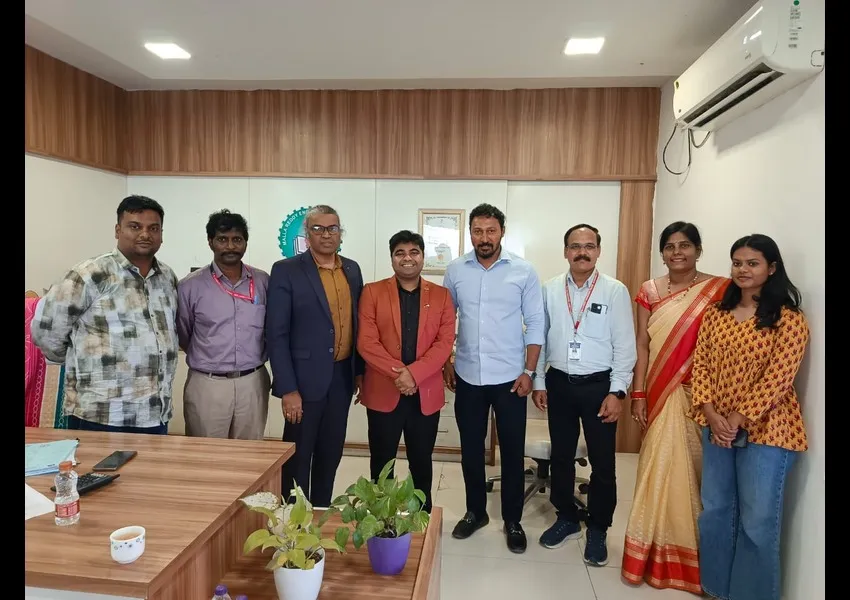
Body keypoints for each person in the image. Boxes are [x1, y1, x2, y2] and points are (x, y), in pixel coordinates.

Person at [690, 234, 809, 600]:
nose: (743, 270)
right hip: (717, 427)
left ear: (771, 268)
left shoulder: (789, 319)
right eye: (737, 263)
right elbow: (701, 365)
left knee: (757, 523)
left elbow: (778, 377)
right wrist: (711, 413)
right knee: (716, 511)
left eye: (752, 263)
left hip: (768, 432)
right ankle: (716, 589)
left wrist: (737, 418)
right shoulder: (716, 314)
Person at [620, 222, 729, 593]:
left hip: (700, 395)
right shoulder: (649, 290)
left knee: (693, 476)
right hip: (658, 389)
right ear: (662, 253)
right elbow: (642, 343)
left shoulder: (719, 290)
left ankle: (694, 562)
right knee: (658, 466)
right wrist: (638, 393)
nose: (677, 252)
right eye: (669, 246)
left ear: (698, 249)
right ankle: (648, 556)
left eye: (685, 245)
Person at [442, 203, 545, 554]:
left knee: (512, 451)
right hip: (468, 375)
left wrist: (529, 372)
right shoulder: (456, 270)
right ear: (470, 233)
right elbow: (446, 320)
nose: (484, 238)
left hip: (511, 379)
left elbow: (536, 323)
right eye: (478, 231)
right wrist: (447, 360)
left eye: (491, 231)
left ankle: (513, 519)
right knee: (471, 449)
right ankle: (476, 512)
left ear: (502, 231)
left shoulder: (523, 271)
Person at [532, 223, 637, 566]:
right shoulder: (549, 289)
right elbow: (540, 338)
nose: (582, 252)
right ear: (566, 251)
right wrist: (539, 381)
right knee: (562, 456)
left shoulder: (614, 291)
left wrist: (617, 391)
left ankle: (599, 527)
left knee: (603, 462)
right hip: (560, 383)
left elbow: (625, 345)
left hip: (599, 387)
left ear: (598, 251)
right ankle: (566, 517)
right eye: (575, 246)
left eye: (589, 246)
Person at [31, 195, 179, 434]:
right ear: (118, 230)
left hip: (154, 412)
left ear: (162, 234)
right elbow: (46, 331)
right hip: (101, 413)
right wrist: (80, 361)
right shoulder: (89, 274)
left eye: (153, 228)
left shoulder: (167, 277)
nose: (145, 234)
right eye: (135, 226)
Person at [265, 205, 365, 506]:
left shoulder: (352, 270)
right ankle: (294, 521)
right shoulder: (286, 270)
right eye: (318, 229)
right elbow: (277, 334)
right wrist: (288, 388)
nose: (326, 234)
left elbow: (358, 324)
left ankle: (321, 511)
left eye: (332, 228)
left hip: (341, 377)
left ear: (340, 233)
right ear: (307, 234)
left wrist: (359, 373)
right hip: (303, 382)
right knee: (298, 457)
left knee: (330, 453)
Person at [356, 230, 456, 512]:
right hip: (384, 391)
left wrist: (414, 374)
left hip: (425, 394)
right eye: (400, 253)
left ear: (423, 257)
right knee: (382, 463)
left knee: (421, 462)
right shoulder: (372, 292)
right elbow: (366, 342)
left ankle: (422, 519)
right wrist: (400, 374)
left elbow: (444, 342)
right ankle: (380, 518)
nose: (407, 258)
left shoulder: (441, 296)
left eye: (414, 252)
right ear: (392, 259)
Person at [176, 210, 271, 440]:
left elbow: (272, 329)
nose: (230, 246)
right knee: (206, 455)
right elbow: (184, 334)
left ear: (245, 242)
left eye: (237, 239)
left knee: (250, 454)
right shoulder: (190, 286)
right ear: (210, 242)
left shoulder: (263, 281)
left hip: (253, 382)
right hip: (208, 384)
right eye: (222, 239)